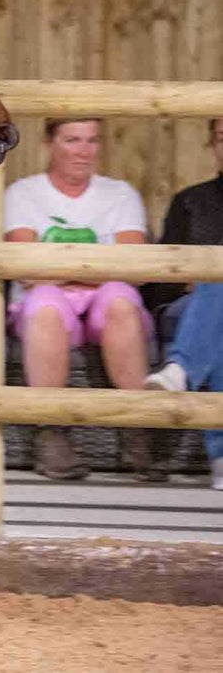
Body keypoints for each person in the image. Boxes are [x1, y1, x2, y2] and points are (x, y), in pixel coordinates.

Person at [3, 117, 163, 482]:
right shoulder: (24, 193)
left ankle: (137, 431)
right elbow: (26, 268)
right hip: (46, 305)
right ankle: (52, 434)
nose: (84, 151)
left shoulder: (120, 193)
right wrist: (100, 266)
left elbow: (134, 267)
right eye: (72, 140)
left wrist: (58, 267)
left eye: (92, 141)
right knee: (44, 301)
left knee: (121, 299)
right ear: (49, 144)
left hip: (105, 306)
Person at [143, 117, 223, 490]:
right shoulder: (189, 201)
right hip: (190, 307)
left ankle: (181, 369)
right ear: (212, 145)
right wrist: (190, 280)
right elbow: (159, 285)